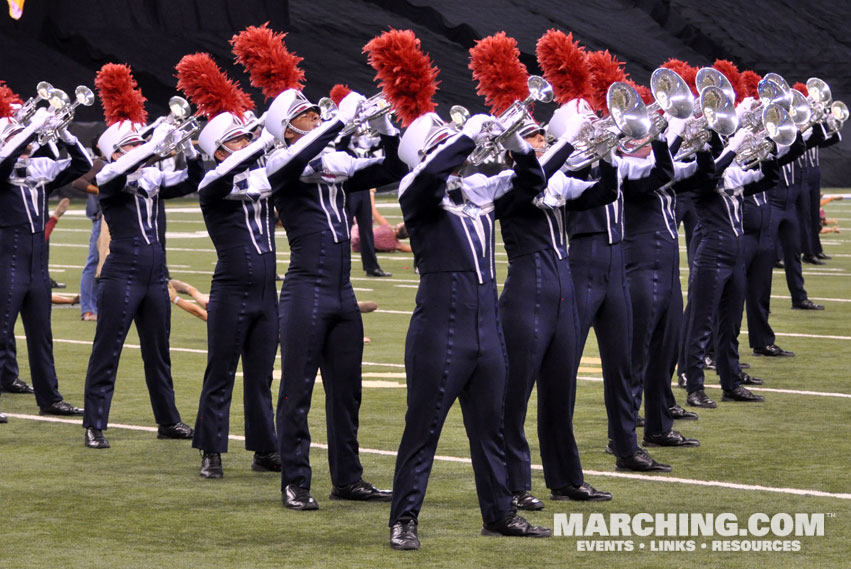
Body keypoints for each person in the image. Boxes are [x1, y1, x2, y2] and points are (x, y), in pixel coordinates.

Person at [387, 110, 553, 550]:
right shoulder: (414, 190)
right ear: (426, 154)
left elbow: (532, 183)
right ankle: (404, 519)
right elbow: (431, 174)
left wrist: (517, 144)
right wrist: (464, 136)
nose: (457, 152)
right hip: (440, 330)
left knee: (491, 428)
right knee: (423, 430)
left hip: (486, 328)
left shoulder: (478, 190)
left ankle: (499, 514)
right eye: (442, 144)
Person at [264, 87, 407, 510]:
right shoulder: (280, 161)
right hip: (305, 290)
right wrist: (339, 122)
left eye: (315, 112)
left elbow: (394, 166)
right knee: (296, 392)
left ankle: (348, 478)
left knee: (347, 392)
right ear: (288, 128)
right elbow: (296, 160)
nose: (316, 117)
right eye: (307, 114)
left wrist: (385, 126)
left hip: (341, 294)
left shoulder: (331, 163)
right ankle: (295, 481)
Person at [497, 113, 618, 511]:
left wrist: (607, 153)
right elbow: (534, 175)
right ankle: (513, 484)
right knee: (514, 397)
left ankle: (566, 478)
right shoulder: (506, 184)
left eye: (541, 136)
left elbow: (605, 194)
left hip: (563, 287)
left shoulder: (556, 178)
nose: (540, 142)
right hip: (527, 293)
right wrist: (567, 141)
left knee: (560, 390)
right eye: (531, 137)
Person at [82, 66, 203, 449]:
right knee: (108, 349)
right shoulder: (109, 178)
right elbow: (119, 172)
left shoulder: (149, 180)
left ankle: (168, 421)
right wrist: (152, 145)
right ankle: (94, 423)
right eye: (131, 145)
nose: (139, 149)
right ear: (115, 152)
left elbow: (189, 180)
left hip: (154, 276)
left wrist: (189, 147)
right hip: (122, 273)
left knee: (158, 352)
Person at [189, 104, 280, 479]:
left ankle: (264, 448)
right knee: (221, 371)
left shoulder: (262, 175)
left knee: (261, 376)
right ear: (220, 150)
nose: (246, 142)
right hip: (231, 289)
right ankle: (211, 449)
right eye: (237, 139)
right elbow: (227, 176)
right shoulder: (212, 182)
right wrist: (267, 136)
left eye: (245, 136)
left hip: (265, 291)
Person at [0, 105, 89, 418]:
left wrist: (61, 132)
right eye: (18, 142)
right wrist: (25, 129)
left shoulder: (38, 176)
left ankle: (50, 399)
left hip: (37, 267)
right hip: (7, 263)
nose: (26, 147)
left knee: (42, 335)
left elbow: (83, 163)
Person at [71, 138, 105, 322]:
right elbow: (78, 183)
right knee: (94, 261)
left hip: (114, 218)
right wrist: (102, 192)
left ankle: (100, 304)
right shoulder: (99, 163)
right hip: (102, 218)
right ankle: (89, 309)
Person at [351, 188, 412, 253]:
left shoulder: (387, 227)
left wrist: (371, 193)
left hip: (357, 234)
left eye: (401, 224)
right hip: (357, 248)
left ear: (397, 229)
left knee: (363, 218)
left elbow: (373, 210)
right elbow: (411, 249)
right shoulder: (397, 245)